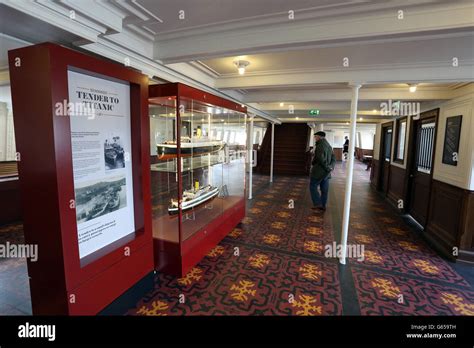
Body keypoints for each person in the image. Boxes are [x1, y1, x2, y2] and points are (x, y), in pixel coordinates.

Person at [310, 131, 336, 211]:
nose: (315, 138)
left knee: (313, 186)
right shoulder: (328, 145)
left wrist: (327, 167)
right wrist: (331, 167)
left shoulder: (320, 145)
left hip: (319, 172)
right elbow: (333, 158)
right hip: (326, 173)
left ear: (320, 137)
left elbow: (320, 159)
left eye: (315, 137)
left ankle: (318, 203)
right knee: (324, 189)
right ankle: (323, 205)